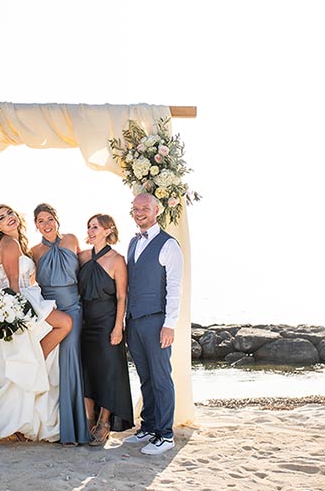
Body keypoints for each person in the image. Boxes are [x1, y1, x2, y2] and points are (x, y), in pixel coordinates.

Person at [0, 204, 72, 442]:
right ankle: (35, 362)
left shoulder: (18, 244)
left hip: (29, 297)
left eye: (10, 214)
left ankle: (34, 366)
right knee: (64, 323)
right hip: (21, 302)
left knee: (38, 354)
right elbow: (13, 285)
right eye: (2, 218)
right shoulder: (9, 244)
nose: (9, 218)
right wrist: (21, 319)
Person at [122, 193, 183, 456]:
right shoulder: (133, 243)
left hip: (157, 321)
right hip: (134, 322)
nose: (139, 212)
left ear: (156, 210)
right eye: (135, 209)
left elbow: (175, 287)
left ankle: (166, 434)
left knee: (161, 378)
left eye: (145, 208)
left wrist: (169, 324)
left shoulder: (169, 244)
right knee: (145, 377)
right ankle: (149, 426)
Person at [31, 203, 90, 447]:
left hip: (74, 308)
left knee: (71, 361)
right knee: (53, 366)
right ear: (36, 225)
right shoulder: (33, 251)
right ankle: (57, 425)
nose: (46, 225)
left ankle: (76, 428)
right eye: (41, 221)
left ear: (56, 219)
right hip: (50, 312)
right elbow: (25, 281)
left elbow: (90, 265)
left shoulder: (72, 240)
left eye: (49, 219)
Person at [77, 213, 134, 447]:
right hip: (85, 321)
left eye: (95, 227)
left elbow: (122, 296)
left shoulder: (117, 260)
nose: (90, 231)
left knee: (109, 372)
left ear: (108, 231)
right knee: (87, 371)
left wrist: (118, 327)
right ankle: (88, 418)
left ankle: (104, 423)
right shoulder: (81, 257)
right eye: (89, 227)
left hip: (107, 320)